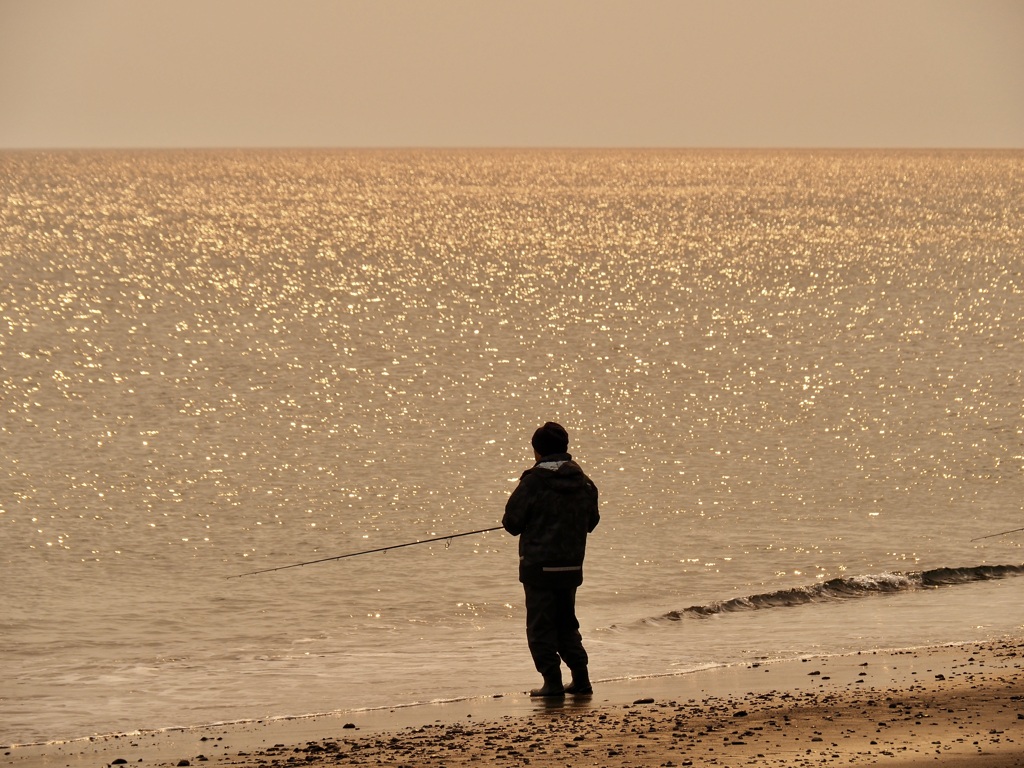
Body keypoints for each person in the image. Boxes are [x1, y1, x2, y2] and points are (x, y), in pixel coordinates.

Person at [502, 421, 600, 697]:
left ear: (537, 451)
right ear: (565, 448)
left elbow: (511, 523)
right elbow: (592, 521)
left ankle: (552, 682)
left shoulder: (533, 482)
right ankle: (581, 679)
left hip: (538, 568)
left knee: (541, 626)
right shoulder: (584, 482)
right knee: (567, 623)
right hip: (571, 566)